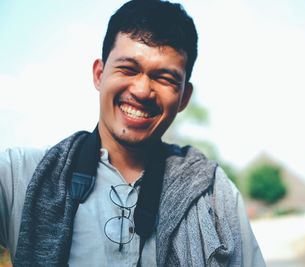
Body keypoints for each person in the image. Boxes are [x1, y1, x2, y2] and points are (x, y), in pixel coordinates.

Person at [0, 0, 265, 266]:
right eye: (128, 69)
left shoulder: (212, 192)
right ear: (99, 74)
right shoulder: (19, 175)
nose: (141, 91)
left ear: (184, 97)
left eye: (164, 78)